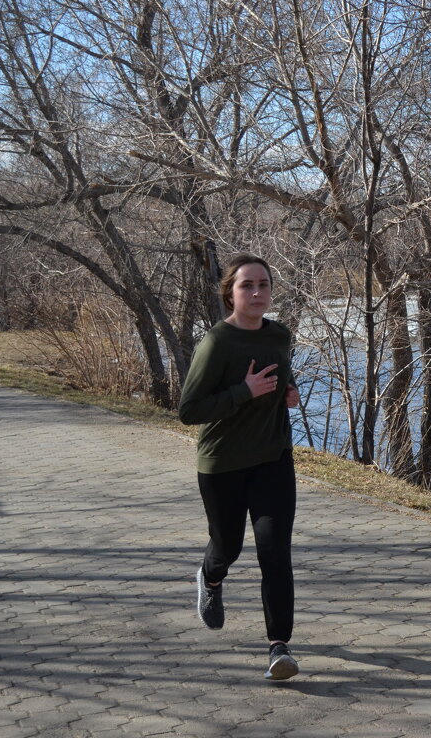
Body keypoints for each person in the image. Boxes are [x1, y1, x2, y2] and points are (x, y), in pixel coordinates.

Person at [178, 254, 302, 681]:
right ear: (230, 291)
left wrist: (288, 394)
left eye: (263, 284)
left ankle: (279, 649)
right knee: (227, 547)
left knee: (274, 553)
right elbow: (189, 410)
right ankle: (210, 579)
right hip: (223, 465)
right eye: (247, 285)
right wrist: (243, 392)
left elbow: (281, 380)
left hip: (273, 459)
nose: (256, 293)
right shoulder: (216, 343)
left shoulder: (280, 335)